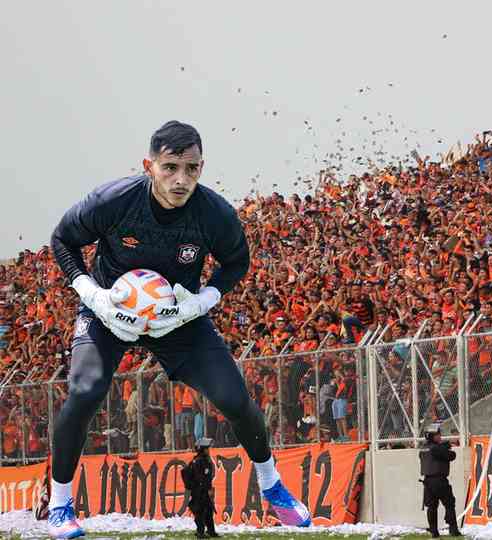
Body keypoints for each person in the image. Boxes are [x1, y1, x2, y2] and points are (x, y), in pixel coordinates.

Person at [45, 121, 310, 539]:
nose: (181, 179)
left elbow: (235, 263)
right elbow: (63, 239)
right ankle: (60, 504)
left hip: (178, 318)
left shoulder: (215, 214)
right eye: (170, 167)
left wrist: (203, 301)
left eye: (191, 168)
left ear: (202, 167)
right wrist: (92, 294)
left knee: (234, 397)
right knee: (84, 390)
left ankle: (271, 483)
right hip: (110, 312)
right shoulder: (112, 201)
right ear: (148, 165)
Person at [419, 426, 461, 538]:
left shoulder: (423, 448)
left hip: (427, 482)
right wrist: (446, 446)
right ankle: (453, 530)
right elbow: (452, 456)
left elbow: (436, 451)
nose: (440, 436)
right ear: (432, 436)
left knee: (432, 507)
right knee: (449, 504)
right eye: (438, 434)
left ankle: (434, 531)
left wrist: (444, 446)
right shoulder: (436, 449)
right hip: (439, 480)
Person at [182, 437, 218, 538]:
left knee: (208, 511)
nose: (208, 450)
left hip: (203, 490)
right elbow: (201, 477)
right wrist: (206, 488)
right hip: (199, 490)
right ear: (202, 449)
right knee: (200, 512)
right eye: (206, 448)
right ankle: (200, 532)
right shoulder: (199, 461)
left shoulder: (202, 460)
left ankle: (211, 531)